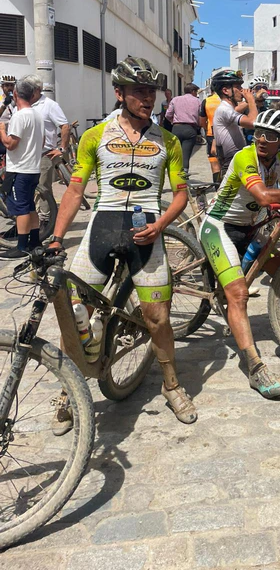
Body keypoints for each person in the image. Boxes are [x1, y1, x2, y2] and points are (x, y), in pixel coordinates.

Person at [48, 57, 197, 431]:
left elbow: (181, 193)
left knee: (158, 318)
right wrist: (56, 238)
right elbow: (76, 189)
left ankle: (171, 385)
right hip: (103, 227)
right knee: (73, 314)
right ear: (119, 93)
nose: (148, 98)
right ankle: (69, 391)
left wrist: (161, 225)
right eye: (139, 91)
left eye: (151, 91)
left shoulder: (167, 141)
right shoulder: (95, 136)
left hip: (147, 232)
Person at [199, 109, 280, 397]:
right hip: (219, 226)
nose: (261, 139)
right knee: (239, 295)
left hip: (250, 227)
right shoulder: (244, 157)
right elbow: (263, 196)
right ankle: (254, 367)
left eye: (270, 136)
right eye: (258, 133)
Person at [0, 77, 44, 259]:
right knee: (29, 206)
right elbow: (41, 141)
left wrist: (2, 130)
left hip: (20, 169)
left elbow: (10, 144)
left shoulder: (19, 116)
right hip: (33, 168)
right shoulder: (37, 115)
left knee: (21, 209)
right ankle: (35, 241)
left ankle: (22, 246)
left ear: (16, 93)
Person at [25, 75, 70, 226]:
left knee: (43, 188)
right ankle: (32, 219)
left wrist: (62, 148)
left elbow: (65, 126)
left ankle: (46, 220)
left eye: (29, 88)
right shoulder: (25, 104)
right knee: (30, 187)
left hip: (45, 154)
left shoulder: (49, 105)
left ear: (38, 89)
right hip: (28, 154)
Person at [212, 70, 257, 176]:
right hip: (231, 162)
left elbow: (237, 109)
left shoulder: (228, 108)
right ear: (225, 91)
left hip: (236, 159)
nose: (242, 90)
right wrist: (251, 100)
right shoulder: (224, 109)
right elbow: (253, 122)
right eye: (238, 87)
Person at [165, 83, 201, 172]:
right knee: (186, 154)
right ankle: (184, 174)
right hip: (190, 128)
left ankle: (175, 172)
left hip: (176, 128)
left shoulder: (175, 99)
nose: (196, 94)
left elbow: (168, 114)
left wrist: (173, 121)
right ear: (193, 91)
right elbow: (200, 117)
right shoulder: (197, 101)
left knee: (176, 153)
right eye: (196, 92)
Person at [199, 85, 222, 182]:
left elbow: (202, 121)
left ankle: (217, 186)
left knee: (214, 162)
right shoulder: (228, 100)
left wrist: (206, 128)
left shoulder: (206, 101)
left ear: (211, 91)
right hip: (227, 134)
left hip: (211, 134)